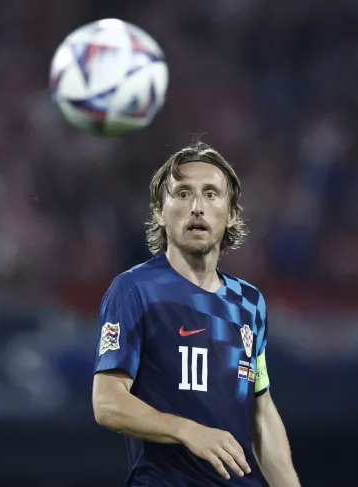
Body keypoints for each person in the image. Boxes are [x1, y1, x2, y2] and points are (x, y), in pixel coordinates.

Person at [92, 141, 301, 486]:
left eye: (210, 194)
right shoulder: (135, 290)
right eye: (183, 194)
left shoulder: (249, 303)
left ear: (232, 214)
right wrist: (187, 430)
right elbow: (107, 403)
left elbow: (261, 414)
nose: (197, 207)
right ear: (159, 211)